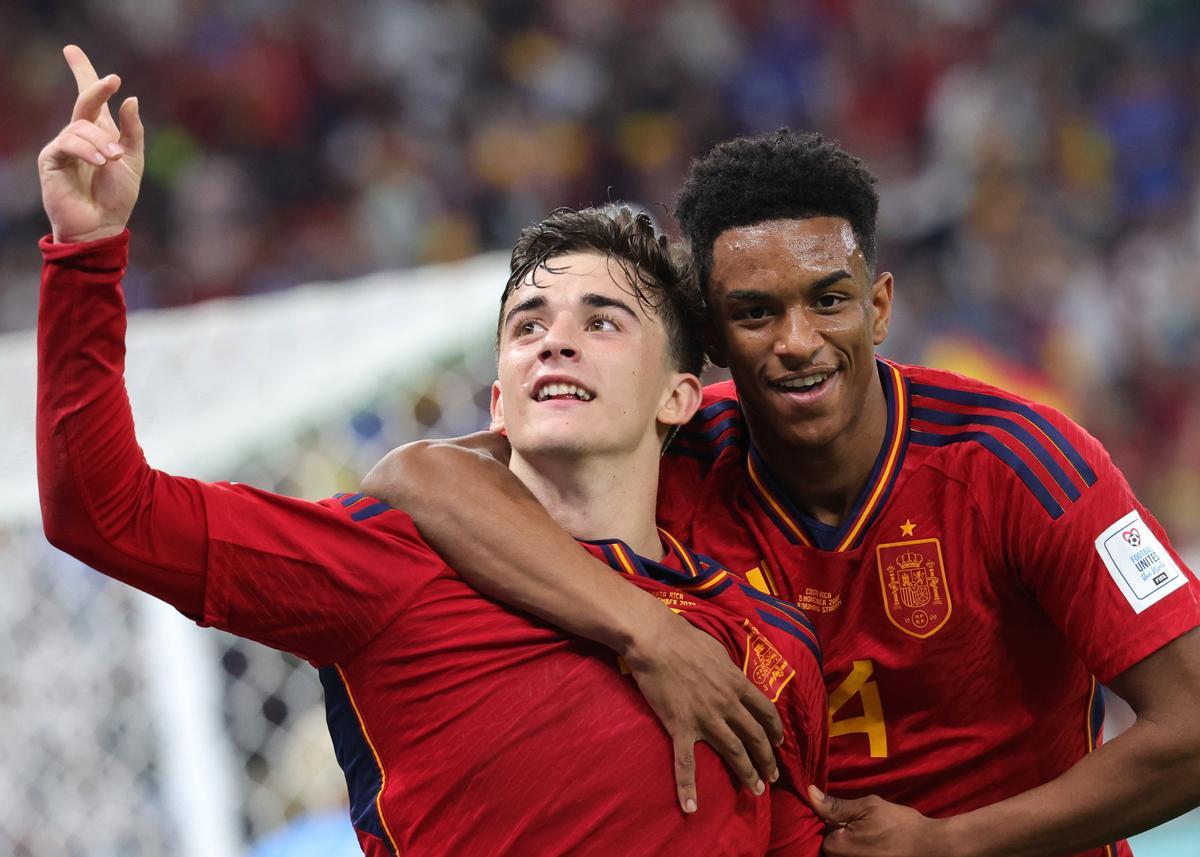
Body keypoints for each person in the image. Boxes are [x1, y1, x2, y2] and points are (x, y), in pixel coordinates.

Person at [36, 47, 829, 856]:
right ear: (498, 401)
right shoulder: (392, 560)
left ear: (678, 398)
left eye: (601, 321)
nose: (554, 342)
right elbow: (104, 512)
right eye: (527, 326)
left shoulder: (765, 641)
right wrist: (87, 252)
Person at [363, 129, 1200, 857]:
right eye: (756, 313)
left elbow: (1192, 725)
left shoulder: (1018, 461)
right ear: (713, 339)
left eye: (828, 301)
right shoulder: (672, 448)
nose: (799, 343)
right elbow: (415, 474)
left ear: (877, 307)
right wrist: (649, 632)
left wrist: (951, 843)